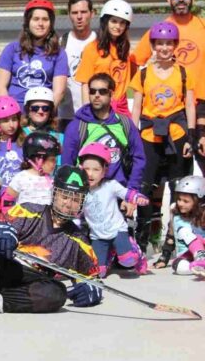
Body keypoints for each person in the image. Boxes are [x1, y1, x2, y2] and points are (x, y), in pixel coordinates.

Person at [0, 166, 100, 328]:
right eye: (65, 196)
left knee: (57, 294)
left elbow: (93, 277)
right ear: (54, 193)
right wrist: (1, 232)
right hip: (2, 264)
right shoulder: (27, 210)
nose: (69, 203)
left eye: (76, 199)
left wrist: (92, 290)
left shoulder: (79, 241)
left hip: (28, 281)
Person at [130, 21, 196, 259]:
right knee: (147, 189)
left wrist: (191, 135)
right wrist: (132, 136)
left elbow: (189, 104)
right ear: (153, 46)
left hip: (176, 134)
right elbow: (136, 106)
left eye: (169, 43)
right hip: (149, 135)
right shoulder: (144, 73)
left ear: (175, 45)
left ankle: (174, 244)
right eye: (160, 44)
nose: (165, 48)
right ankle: (143, 241)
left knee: (178, 190)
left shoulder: (184, 72)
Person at [132, 0, 205, 173]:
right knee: (167, 172)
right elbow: (136, 61)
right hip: (172, 112)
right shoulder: (159, 30)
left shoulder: (203, 27)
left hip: (201, 107)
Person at [62, 73, 145, 193]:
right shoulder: (77, 126)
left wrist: (132, 190)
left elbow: (138, 158)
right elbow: (67, 164)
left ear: (111, 94)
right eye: (92, 91)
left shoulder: (125, 124)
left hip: (118, 193)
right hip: (86, 192)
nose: (96, 95)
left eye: (102, 91)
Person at [78, 143, 148, 277]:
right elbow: (76, 210)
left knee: (128, 261)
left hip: (117, 230)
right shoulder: (81, 190)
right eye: (86, 169)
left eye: (96, 169)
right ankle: (108, 255)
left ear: (105, 170)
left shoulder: (110, 185)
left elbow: (127, 193)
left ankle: (136, 253)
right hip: (97, 236)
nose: (90, 174)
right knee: (98, 273)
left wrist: (137, 198)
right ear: (80, 168)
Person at [0, 0, 68, 109]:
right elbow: (1, 87)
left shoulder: (59, 54)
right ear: (28, 22)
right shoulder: (12, 49)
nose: (40, 23)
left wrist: (44, 115)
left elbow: (59, 92)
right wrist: (10, 115)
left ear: (51, 23)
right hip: (15, 114)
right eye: (36, 19)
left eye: (45, 19)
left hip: (42, 113)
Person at [74, 0, 135, 116]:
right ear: (105, 22)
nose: (118, 26)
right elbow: (85, 84)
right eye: (114, 21)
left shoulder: (124, 49)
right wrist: (88, 113)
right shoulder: (92, 48)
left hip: (121, 108)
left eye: (122, 23)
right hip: (100, 107)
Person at [58, 0, 96, 130]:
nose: (79, 17)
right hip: (67, 117)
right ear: (69, 15)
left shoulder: (100, 42)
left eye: (83, 12)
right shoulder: (61, 43)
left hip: (95, 117)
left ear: (92, 14)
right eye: (74, 13)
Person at [3, 131, 59, 211]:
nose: (55, 163)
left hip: (45, 221)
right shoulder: (21, 177)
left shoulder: (52, 180)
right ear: (38, 159)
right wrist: (8, 216)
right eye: (52, 160)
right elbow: (8, 198)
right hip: (24, 221)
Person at [164, 176, 205, 275]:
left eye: (186, 201)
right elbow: (170, 236)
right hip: (187, 256)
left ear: (198, 202)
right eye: (179, 199)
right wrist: (164, 257)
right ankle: (198, 267)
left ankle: (201, 258)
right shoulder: (176, 215)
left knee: (185, 232)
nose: (180, 203)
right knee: (177, 265)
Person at [21, 87, 63, 164]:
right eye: (35, 108)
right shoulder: (20, 135)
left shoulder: (60, 138)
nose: (40, 111)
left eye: (45, 108)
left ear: (50, 111)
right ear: (27, 110)